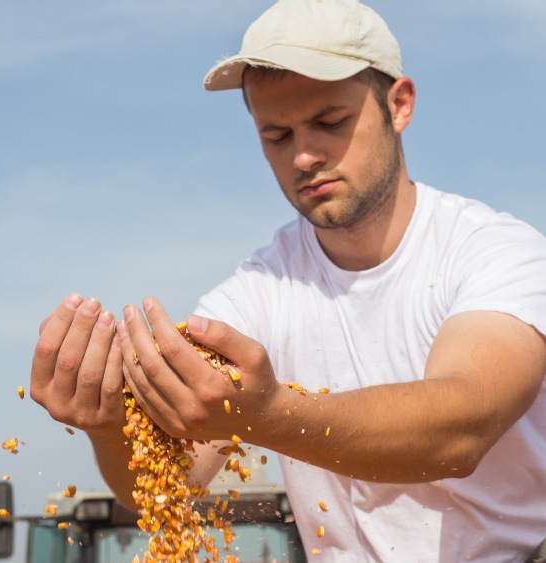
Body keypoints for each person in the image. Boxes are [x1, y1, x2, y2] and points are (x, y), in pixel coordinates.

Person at [30, 0, 546, 560]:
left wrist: (271, 415)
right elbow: (172, 485)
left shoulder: (496, 253)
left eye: (330, 123)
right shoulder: (258, 290)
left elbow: (459, 429)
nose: (303, 156)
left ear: (399, 105)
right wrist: (108, 428)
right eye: (275, 135)